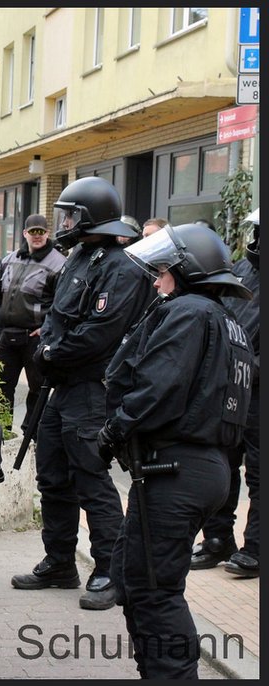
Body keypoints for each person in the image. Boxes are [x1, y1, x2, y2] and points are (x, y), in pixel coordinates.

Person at [101, 223, 254, 678]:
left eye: (164, 271)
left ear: (188, 271)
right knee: (134, 577)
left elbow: (158, 387)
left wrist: (112, 431)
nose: (156, 280)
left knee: (155, 590)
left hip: (177, 468)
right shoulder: (227, 321)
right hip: (202, 468)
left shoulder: (189, 311)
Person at [11, 176, 153, 611]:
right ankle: (59, 562)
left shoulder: (123, 267)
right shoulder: (79, 258)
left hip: (92, 391)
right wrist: (48, 350)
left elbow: (101, 333)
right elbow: (56, 314)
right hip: (60, 387)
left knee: (91, 480)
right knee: (52, 475)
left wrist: (54, 353)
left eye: (71, 214)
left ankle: (109, 569)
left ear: (91, 216)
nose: (65, 222)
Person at [191, 208, 260, 577]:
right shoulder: (240, 271)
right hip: (232, 385)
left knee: (260, 475)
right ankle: (217, 539)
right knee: (222, 464)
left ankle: (257, 548)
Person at [0, 214, 66, 434]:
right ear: (25, 233)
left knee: (37, 388)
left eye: (40, 232)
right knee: (1, 387)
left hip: (35, 337)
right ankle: (2, 433)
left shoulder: (59, 263)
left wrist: (47, 327)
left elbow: (63, 302)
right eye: (32, 232)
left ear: (47, 233)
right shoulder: (10, 258)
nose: (37, 236)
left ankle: (31, 435)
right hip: (8, 334)